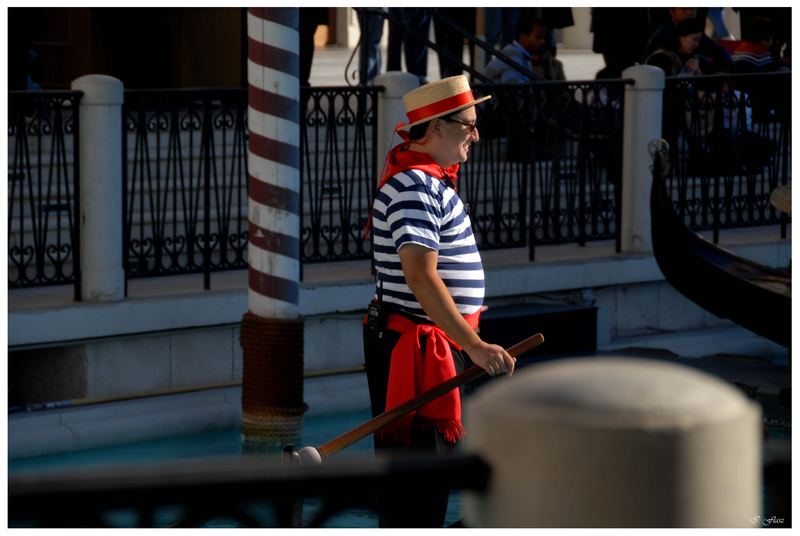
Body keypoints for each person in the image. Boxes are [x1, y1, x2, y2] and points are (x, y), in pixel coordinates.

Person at [364, 75, 515, 528]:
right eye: (468, 125)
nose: (476, 134)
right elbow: (421, 278)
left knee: (424, 486)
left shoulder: (428, 182)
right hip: (415, 350)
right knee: (417, 490)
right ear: (434, 129)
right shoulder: (414, 186)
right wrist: (475, 346)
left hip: (428, 346)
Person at [643, 8, 733, 74]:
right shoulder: (663, 36)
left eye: (692, 8)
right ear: (672, 11)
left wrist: (722, 71)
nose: (689, 12)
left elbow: (720, 53)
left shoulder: (696, 32)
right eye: (684, 9)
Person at [485, 14, 565, 83]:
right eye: (538, 37)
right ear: (523, 37)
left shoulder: (521, 55)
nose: (542, 42)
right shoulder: (513, 57)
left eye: (543, 38)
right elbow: (516, 92)